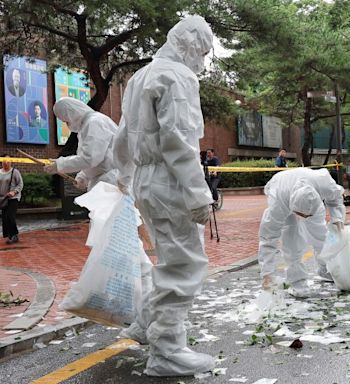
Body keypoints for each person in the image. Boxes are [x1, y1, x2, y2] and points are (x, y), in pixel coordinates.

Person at [113, 15, 215, 376]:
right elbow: (180, 139)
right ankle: (167, 350)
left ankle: (145, 324)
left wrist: (124, 175)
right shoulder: (178, 77)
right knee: (183, 264)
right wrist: (198, 194)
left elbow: (123, 136)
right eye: (202, 51)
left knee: (167, 258)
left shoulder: (140, 76)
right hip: (170, 181)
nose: (202, 61)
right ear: (189, 44)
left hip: (146, 179)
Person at [259, 168, 346, 297]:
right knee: (291, 241)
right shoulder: (278, 203)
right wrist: (267, 273)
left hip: (308, 198)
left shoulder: (324, 183)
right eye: (301, 214)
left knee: (321, 235)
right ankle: (297, 281)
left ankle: (325, 268)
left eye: (307, 215)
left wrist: (337, 218)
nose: (304, 218)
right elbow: (268, 239)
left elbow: (336, 198)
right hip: (282, 191)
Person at [43, 97, 118, 191]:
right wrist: (83, 176)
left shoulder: (94, 123)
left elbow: (90, 158)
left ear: (71, 114)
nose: (67, 124)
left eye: (66, 121)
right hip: (105, 181)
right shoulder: (87, 126)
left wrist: (60, 164)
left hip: (111, 182)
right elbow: (93, 159)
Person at [0, 155, 23, 244]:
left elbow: (20, 184)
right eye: (4, 161)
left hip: (13, 198)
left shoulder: (15, 172)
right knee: (5, 218)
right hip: (3, 198)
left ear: (11, 162)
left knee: (10, 216)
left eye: (8, 161)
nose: (6, 162)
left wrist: (14, 192)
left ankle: (14, 235)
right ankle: (10, 236)